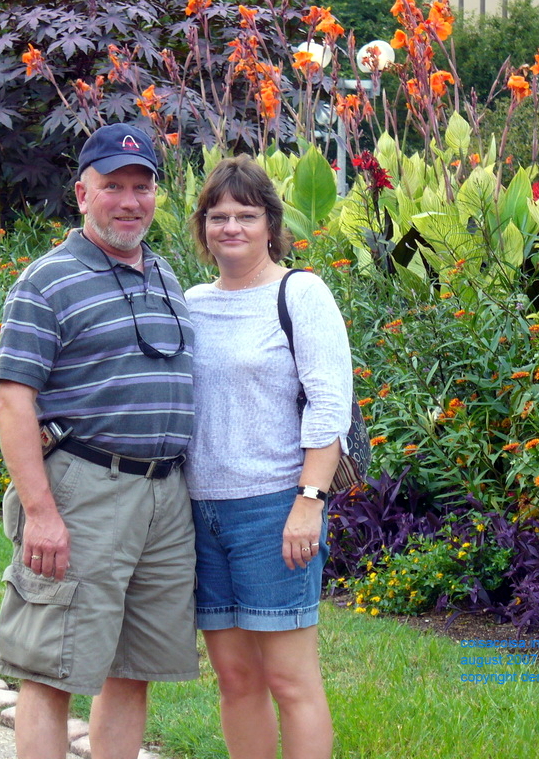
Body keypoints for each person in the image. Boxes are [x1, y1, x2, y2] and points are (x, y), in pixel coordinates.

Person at [0, 123, 198, 759]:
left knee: (131, 668)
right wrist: (41, 514)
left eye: (142, 187)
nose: (129, 200)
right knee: (51, 668)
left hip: (165, 497)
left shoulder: (163, 273)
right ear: (82, 193)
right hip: (84, 491)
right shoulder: (46, 281)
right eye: (113, 186)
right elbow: (12, 400)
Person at [185, 155, 352, 759]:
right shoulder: (192, 302)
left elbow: (329, 405)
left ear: (270, 223)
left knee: (290, 680)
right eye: (218, 215)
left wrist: (309, 501)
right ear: (203, 225)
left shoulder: (299, 292)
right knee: (235, 679)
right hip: (201, 511)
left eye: (246, 216)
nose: (231, 227)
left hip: (275, 509)